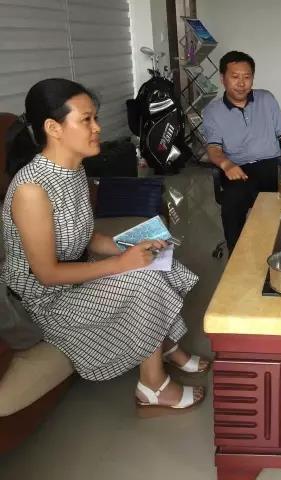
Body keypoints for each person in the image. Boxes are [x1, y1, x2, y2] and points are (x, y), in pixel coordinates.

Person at [2, 78, 208, 416]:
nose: (97, 127)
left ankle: (167, 345)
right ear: (54, 128)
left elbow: (85, 236)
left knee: (159, 258)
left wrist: (130, 245)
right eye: (86, 120)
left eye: (94, 118)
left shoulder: (74, 170)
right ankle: (152, 385)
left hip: (72, 282)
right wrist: (122, 263)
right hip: (43, 303)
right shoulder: (31, 190)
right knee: (144, 277)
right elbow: (46, 274)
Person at [203, 50, 281, 253]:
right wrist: (226, 164)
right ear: (222, 79)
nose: (241, 83)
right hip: (241, 170)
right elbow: (213, 149)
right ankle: (237, 255)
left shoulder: (266, 99)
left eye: (247, 77)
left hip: (275, 165)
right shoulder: (213, 111)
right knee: (232, 202)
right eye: (235, 77)